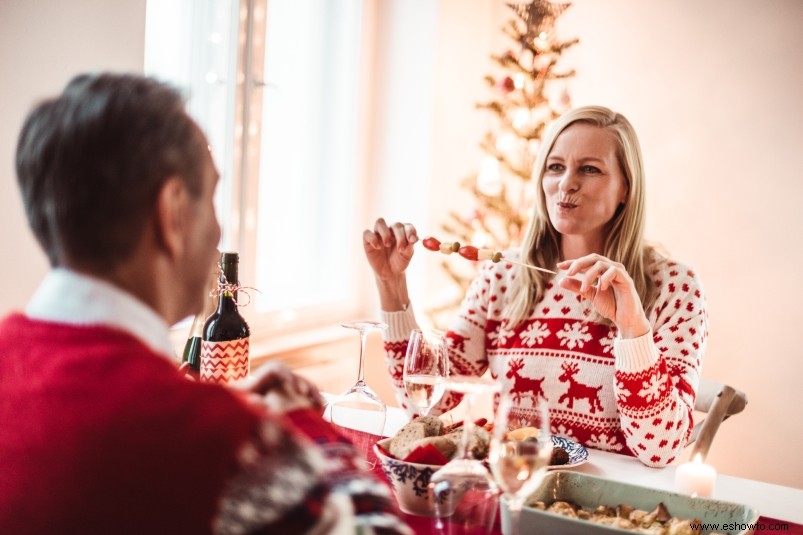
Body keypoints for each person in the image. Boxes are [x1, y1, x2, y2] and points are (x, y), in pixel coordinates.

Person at [0, 73, 410, 535]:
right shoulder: (216, 442)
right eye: (212, 196)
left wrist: (222, 403)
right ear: (172, 211)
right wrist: (301, 423)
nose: (218, 233)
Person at [363, 105, 707, 468]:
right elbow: (429, 398)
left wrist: (633, 330)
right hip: (514, 487)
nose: (566, 183)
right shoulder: (502, 277)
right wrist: (391, 283)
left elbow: (662, 448)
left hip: (604, 506)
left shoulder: (674, 287)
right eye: (555, 167)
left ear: (626, 188)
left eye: (589, 169)